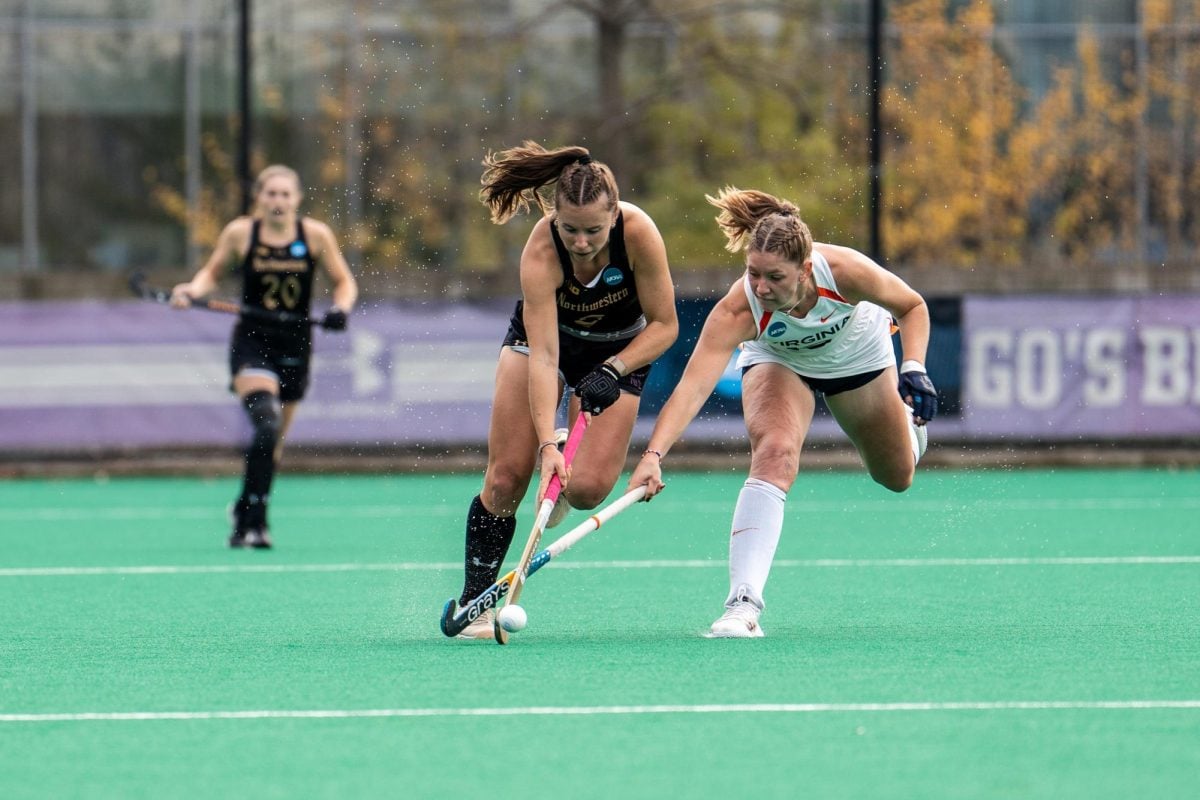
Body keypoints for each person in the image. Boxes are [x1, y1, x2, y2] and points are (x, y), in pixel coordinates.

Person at [628, 186, 937, 638]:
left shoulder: (846, 271)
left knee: (896, 476)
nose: (760, 287)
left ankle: (911, 434)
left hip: (858, 358)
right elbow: (693, 386)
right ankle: (742, 603)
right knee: (774, 452)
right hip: (779, 361)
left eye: (774, 277)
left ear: (806, 269)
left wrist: (913, 367)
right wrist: (652, 456)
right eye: (753, 273)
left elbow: (912, 306)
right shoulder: (740, 309)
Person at [453, 142, 678, 639]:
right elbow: (546, 357)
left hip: (621, 350)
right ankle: (475, 597)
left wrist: (614, 369)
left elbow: (665, 326)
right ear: (554, 217)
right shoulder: (540, 249)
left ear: (614, 216)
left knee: (588, 488)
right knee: (507, 477)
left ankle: (560, 476)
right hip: (546, 345)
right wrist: (548, 445)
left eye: (593, 230)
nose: (580, 241)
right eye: (569, 228)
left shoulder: (639, 234)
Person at [170, 164, 358, 549]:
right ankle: (253, 525)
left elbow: (344, 281)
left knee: (273, 443)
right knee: (266, 424)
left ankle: (245, 509)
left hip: (295, 345)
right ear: (259, 197)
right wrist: (191, 290)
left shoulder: (316, 235)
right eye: (271, 193)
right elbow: (212, 273)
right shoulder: (241, 233)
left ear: (297, 199)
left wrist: (341, 309)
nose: (278, 201)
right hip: (253, 343)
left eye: (285, 194)